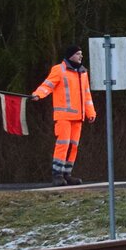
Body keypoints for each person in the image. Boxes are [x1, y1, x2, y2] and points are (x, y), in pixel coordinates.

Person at [31, 46, 96, 186]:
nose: (81, 56)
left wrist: (91, 112)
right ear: (70, 55)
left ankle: (67, 174)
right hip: (64, 116)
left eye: (81, 54)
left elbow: (86, 95)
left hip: (79, 117)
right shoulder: (59, 70)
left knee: (73, 146)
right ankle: (57, 175)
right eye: (78, 54)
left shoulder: (83, 72)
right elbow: (48, 85)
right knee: (63, 145)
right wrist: (38, 94)